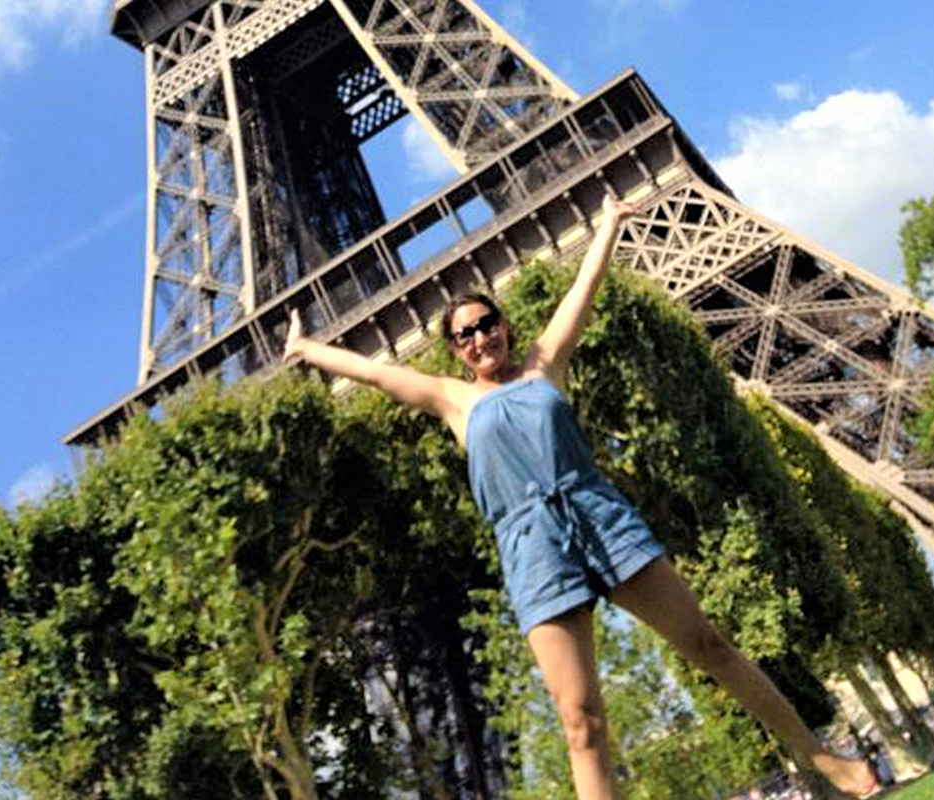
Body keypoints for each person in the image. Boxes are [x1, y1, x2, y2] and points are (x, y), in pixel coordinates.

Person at [283, 194, 879, 800]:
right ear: (455, 350)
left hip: (597, 513)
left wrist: (610, 224)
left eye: (488, 324)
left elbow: (581, 296)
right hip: (531, 547)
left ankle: (822, 758)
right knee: (580, 723)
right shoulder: (450, 399)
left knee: (709, 644)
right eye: (466, 334)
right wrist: (307, 351)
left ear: (506, 326)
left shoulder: (544, 365)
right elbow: (373, 373)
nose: (481, 337)